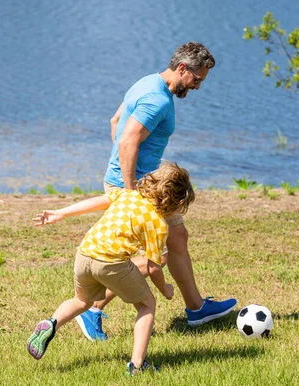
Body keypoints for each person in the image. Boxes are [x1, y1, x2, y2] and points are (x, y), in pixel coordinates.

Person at [75, 42, 237, 342]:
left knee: (177, 238)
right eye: (197, 79)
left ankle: (196, 308)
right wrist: (128, 190)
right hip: (140, 188)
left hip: (143, 182)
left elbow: (115, 122)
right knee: (152, 259)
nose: (198, 87)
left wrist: (119, 173)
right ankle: (92, 309)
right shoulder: (157, 100)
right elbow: (126, 143)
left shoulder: (145, 82)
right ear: (182, 69)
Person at [27, 162, 195, 375]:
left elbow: (96, 202)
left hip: (84, 254)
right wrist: (165, 290)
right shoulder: (158, 224)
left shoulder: (128, 195)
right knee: (147, 304)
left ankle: (52, 323)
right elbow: (153, 268)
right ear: (173, 203)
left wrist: (60, 213)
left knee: (82, 301)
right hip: (111, 263)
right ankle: (137, 365)